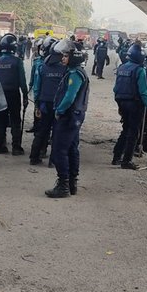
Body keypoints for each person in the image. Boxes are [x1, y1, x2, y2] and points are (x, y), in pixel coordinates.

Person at [44, 39, 89, 198]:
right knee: (71, 148)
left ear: (74, 57)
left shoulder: (74, 75)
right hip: (75, 116)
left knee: (59, 150)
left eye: (65, 56)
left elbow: (70, 97)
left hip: (69, 116)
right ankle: (72, 184)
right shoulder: (75, 72)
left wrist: (59, 110)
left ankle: (63, 185)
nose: (62, 58)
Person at [112, 44, 147, 170]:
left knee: (125, 129)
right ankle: (127, 161)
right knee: (133, 132)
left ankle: (116, 157)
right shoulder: (139, 70)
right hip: (135, 104)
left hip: (122, 102)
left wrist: (119, 105)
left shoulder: (122, 68)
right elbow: (144, 92)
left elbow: (116, 89)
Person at [29, 38, 65, 165]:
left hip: (44, 103)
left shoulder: (42, 67)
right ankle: (53, 160)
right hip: (59, 105)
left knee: (42, 130)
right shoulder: (65, 70)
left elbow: (37, 87)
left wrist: (37, 105)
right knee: (57, 132)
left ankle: (34, 157)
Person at [0, 34, 29, 155]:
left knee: (0, 120)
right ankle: (16, 147)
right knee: (15, 120)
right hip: (13, 94)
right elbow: (22, 81)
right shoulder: (17, 61)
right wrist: (25, 95)